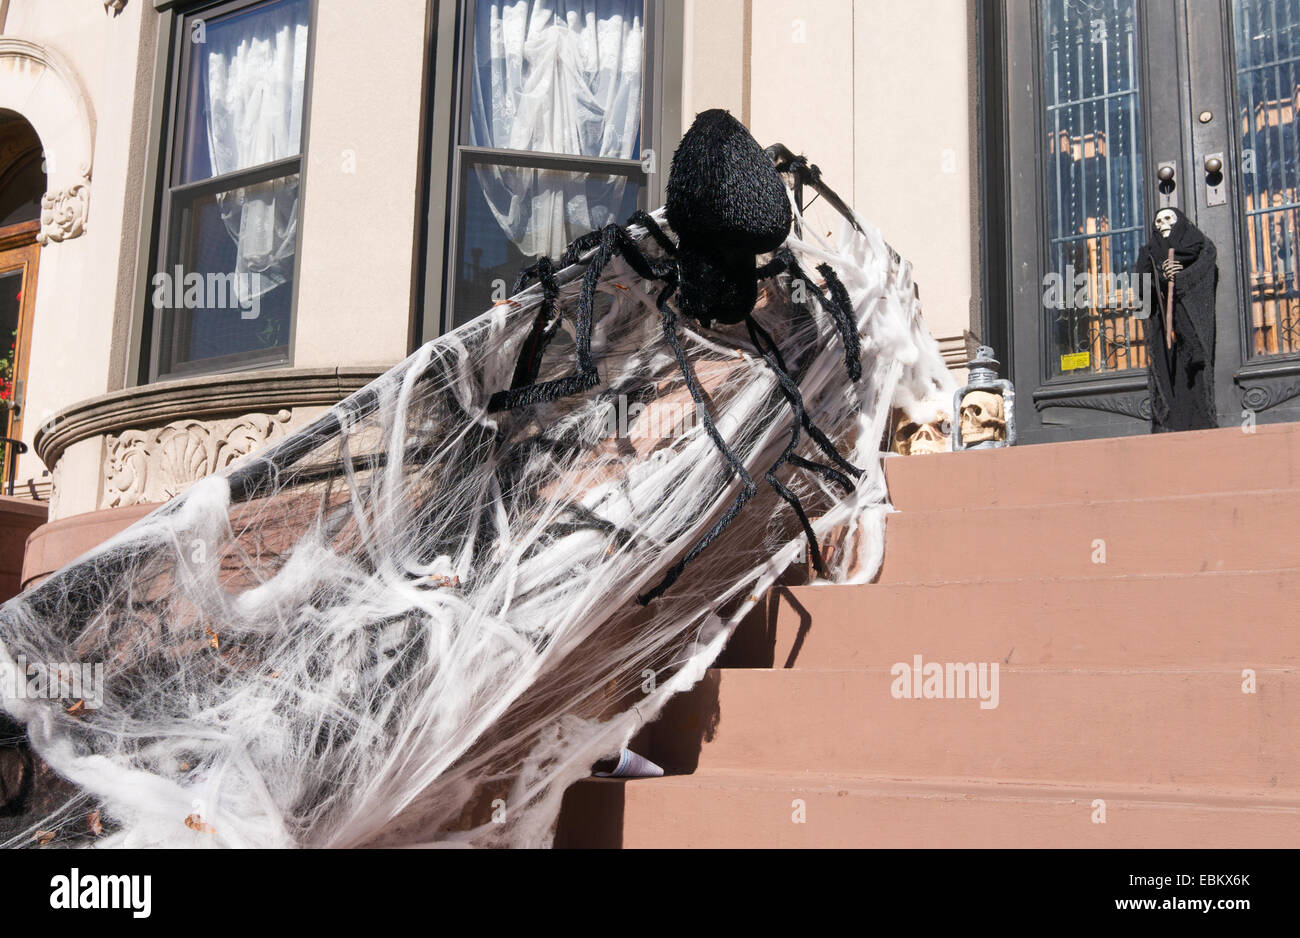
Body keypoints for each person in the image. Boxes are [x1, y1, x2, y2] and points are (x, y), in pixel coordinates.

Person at [1135, 207, 1218, 432]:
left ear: (1179, 221)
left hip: (1192, 321)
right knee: (1167, 367)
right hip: (1165, 324)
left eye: (1168, 218)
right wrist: (1161, 276)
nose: (1163, 223)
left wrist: (1181, 276)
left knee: (1197, 365)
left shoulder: (1200, 245)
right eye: (1158, 220)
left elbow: (1203, 269)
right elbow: (1140, 284)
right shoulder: (1149, 252)